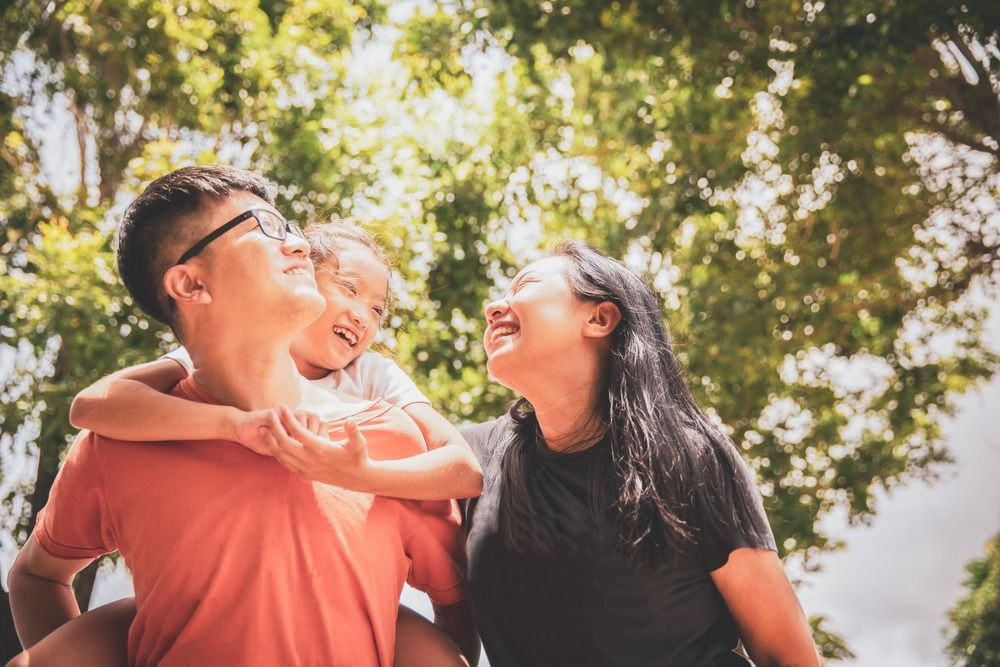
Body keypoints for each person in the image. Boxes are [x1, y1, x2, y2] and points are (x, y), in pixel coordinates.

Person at [6, 166, 477, 666]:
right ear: (190, 284)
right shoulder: (117, 445)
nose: (297, 246)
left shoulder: (388, 440)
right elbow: (36, 575)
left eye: (290, 229)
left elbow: (458, 597)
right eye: (265, 229)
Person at [460, 241, 822, 666]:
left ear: (600, 317)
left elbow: (786, 654)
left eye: (523, 285)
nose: (493, 307)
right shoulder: (468, 459)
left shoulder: (687, 456)